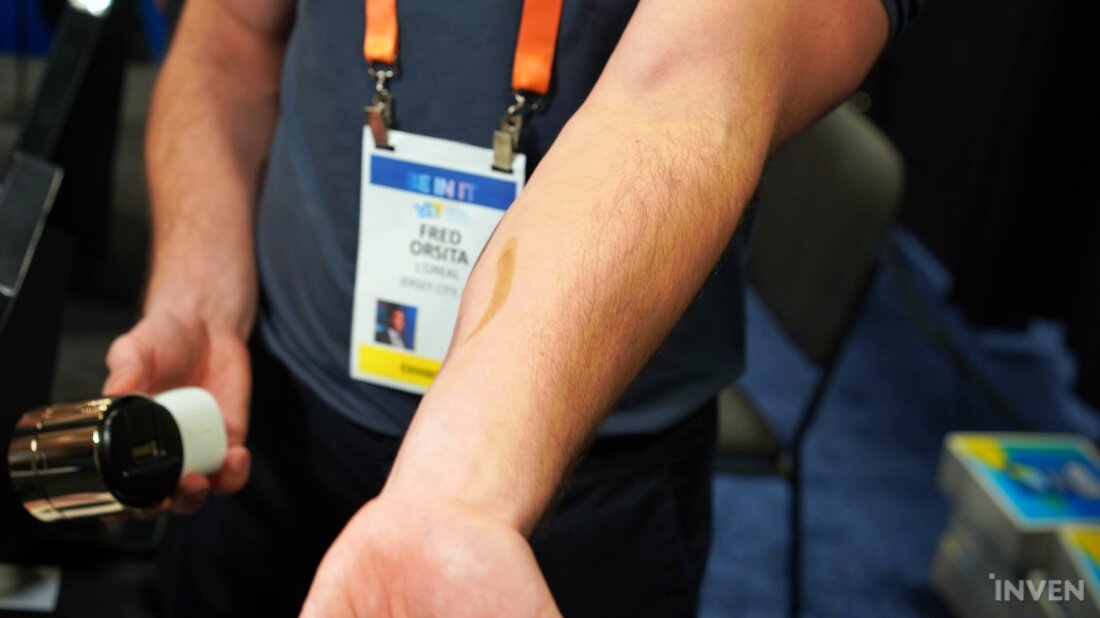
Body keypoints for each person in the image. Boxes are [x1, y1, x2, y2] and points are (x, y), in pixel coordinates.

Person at [102, 0, 921, 615]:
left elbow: (687, 93)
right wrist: (200, 301)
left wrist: (452, 496)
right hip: (275, 409)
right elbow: (231, 35)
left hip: (591, 477)